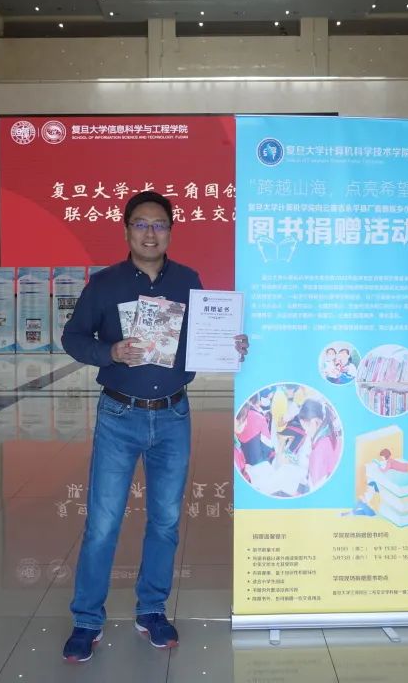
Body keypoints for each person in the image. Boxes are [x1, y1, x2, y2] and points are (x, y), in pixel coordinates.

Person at [60, 191, 249, 663]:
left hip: (173, 415)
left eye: (159, 224)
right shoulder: (104, 284)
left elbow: (203, 340)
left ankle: (151, 611)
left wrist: (231, 344)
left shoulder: (188, 281)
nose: (150, 233)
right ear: (126, 230)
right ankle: (87, 619)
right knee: (103, 523)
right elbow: (73, 337)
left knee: (165, 521)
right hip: (119, 415)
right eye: (141, 224)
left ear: (170, 231)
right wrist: (109, 352)